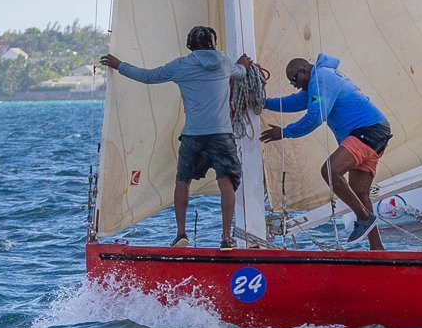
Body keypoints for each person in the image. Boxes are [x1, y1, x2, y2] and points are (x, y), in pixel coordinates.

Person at [100, 25, 247, 249]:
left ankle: (181, 234)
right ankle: (226, 238)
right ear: (213, 43)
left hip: (193, 135)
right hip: (221, 134)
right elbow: (242, 72)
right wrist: (244, 66)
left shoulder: (181, 66)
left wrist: (120, 65)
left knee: (183, 181)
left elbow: (148, 77)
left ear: (190, 45)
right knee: (226, 183)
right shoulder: (225, 62)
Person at [260, 53, 392, 250]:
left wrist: (285, 132)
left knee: (330, 171)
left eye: (295, 80)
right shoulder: (318, 81)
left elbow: (315, 117)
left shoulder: (321, 79)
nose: (295, 85)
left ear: (304, 71)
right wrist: (263, 103)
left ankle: (363, 218)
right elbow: (293, 102)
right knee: (360, 193)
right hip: (375, 131)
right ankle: (377, 248)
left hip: (367, 131)